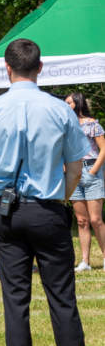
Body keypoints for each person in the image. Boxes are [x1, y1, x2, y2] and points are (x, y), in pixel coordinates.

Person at [0, 38, 99, 346]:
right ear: (40, 68)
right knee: (62, 297)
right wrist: (61, 199)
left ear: (6, 69)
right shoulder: (61, 110)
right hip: (49, 209)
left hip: (9, 212)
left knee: (15, 300)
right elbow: (76, 168)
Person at [65, 93, 105, 272]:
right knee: (81, 221)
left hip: (91, 171)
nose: (66, 105)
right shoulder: (66, 125)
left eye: (69, 102)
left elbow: (103, 149)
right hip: (73, 173)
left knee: (96, 220)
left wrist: (93, 171)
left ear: (78, 103)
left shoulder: (92, 123)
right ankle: (85, 262)